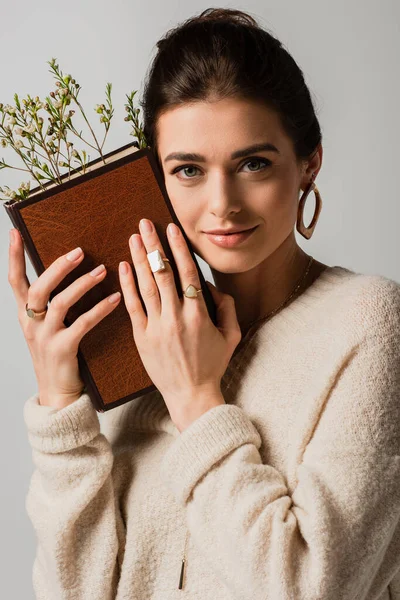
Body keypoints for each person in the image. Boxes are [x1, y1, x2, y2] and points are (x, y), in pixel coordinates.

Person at [9, 8, 400, 600]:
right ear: (156, 177)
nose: (222, 203)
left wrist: (196, 399)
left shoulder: (369, 324)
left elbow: (314, 589)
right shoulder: (144, 332)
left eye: (254, 164)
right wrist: (63, 408)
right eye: (188, 170)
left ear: (308, 162)